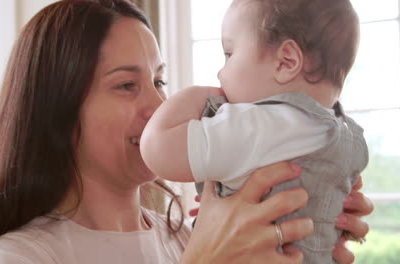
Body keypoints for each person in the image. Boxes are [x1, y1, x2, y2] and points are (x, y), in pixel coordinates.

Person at [0, 0, 371, 264]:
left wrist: (313, 215)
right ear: (57, 110)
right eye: (125, 85)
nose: (157, 106)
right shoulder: (19, 258)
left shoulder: (184, 236)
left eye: (159, 82)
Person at [140, 0, 369, 263]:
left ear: (286, 62)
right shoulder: (344, 135)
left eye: (228, 54)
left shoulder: (260, 125)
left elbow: (157, 148)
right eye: (125, 85)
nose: (220, 73)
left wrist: (196, 98)